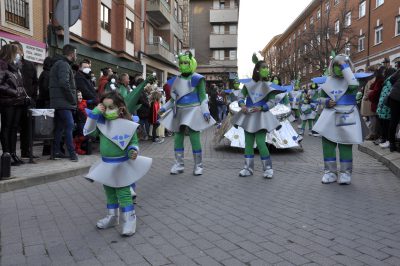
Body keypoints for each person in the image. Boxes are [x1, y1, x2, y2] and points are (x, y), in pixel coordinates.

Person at [83, 91, 152, 236]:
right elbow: (89, 132)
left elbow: (133, 142)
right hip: (106, 164)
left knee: (124, 193)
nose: (107, 111)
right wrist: (94, 114)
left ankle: (130, 221)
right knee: (109, 192)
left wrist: (133, 151)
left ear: (120, 108)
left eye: (111, 107)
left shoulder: (128, 124)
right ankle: (112, 217)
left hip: (121, 165)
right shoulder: (102, 124)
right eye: (105, 107)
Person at [313, 54, 368, 185]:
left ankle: (345, 173)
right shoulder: (327, 80)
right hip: (329, 116)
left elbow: (354, 85)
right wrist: (326, 101)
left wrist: (344, 65)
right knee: (328, 144)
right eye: (336, 64)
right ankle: (330, 172)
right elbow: (318, 98)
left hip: (347, 114)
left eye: (342, 64)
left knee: (345, 144)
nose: (339, 67)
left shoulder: (353, 79)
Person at [159, 51, 216, 175]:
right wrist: (163, 108)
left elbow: (202, 97)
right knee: (177, 138)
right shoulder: (175, 80)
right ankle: (179, 164)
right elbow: (173, 99)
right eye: (181, 62)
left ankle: (198, 166)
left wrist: (205, 111)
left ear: (191, 63)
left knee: (194, 138)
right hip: (178, 111)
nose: (183, 64)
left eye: (186, 62)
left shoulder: (197, 78)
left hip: (193, 111)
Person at [231, 53, 284, 178]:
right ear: (257, 70)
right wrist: (242, 104)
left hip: (261, 117)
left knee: (261, 142)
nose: (266, 69)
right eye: (264, 67)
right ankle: (248, 168)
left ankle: (268, 168)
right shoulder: (248, 84)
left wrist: (261, 107)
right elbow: (241, 96)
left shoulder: (270, 86)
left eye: (267, 67)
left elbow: (272, 102)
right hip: (248, 116)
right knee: (248, 143)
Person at [0, 44, 29, 166]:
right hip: (7, 102)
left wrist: (24, 95)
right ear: (10, 53)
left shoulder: (15, 68)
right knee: (6, 128)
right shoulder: (2, 66)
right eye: (16, 52)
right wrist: (14, 92)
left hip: (18, 102)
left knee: (13, 128)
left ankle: (13, 153)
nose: (19, 54)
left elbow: (20, 85)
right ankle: (6, 154)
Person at [49, 44, 79, 162]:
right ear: (72, 54)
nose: (76, 55)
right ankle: (72, 154)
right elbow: (64, 83)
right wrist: (72, 99)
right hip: (64, 103)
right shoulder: (64, 64)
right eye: (76, 53)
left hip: (59, 102)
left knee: (60, 128)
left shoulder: (59, 64)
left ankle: (56, 152)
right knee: (69, 126)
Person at [10, 41, 39, 158]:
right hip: (14, 102)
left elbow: (35, 82)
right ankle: (11, 154)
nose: (16, 54)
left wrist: (33, 98)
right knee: (13, 127)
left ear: (22, 52)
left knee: (27, 128)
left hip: (27, 102)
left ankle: (26, 152)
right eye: (13, 52)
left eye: (17, 51)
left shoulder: (30, 65)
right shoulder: (9, 65)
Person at [360, 66, 378, 140]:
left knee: (372, 118)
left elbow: (370, 91)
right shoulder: (370, 79)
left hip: (370, 102)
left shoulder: (372, 79)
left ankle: (372, 134)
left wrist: (365, 96)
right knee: (371, 118)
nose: (365, 73)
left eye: (367, 71)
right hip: (369, 102)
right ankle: (372, 133)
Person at [387, 69, 400, 152]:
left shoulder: (399, 71)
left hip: (393, 96)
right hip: (396, 97)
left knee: (393, 120)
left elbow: (391, 79)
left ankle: (392, 144)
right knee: (394, 120)